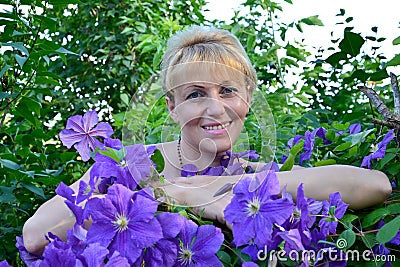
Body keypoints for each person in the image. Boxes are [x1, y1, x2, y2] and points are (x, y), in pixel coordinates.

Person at [22, 25, 392, 255]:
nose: (215, 108)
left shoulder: (256, 177)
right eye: (196, 94)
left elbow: (373, 186)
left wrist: (229, 186)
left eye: (228, 91)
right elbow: (36, 236)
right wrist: (174, 194)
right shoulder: (132, 166)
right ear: (172, 107)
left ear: (247, 100)